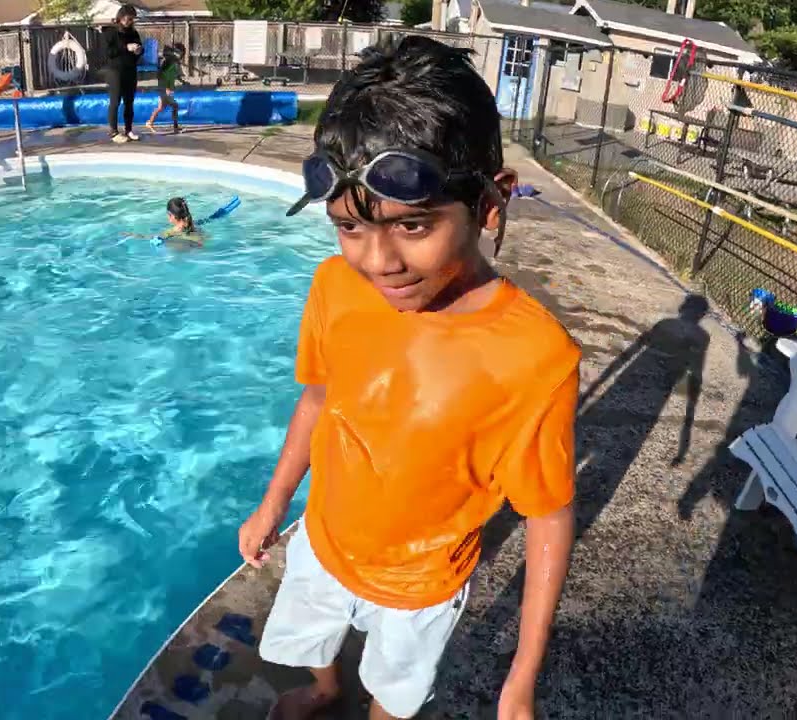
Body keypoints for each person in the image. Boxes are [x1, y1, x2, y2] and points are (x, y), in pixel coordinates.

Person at [238, 35, 579, 720]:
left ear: (491, 204)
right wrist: (276, 500)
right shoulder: (336, 286)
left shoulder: (534, 357)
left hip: (423, 582)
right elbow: (319, 397)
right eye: (349, 228)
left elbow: (547, 517)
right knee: (315, 638)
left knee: (393, 693)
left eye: (414, 225)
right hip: (324, 542)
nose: (380, 261)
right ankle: (327, 688)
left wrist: (521, 678)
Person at [105, 6, 142, 143]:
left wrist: (138, 50)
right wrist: (126, 47)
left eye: (132, 18)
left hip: (130, 70)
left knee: (129, 102)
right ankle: (113, 132)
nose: (129, 20)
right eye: (128, 17)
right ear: (121, 17)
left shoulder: (133, 33)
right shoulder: (111, 32)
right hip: (115, 71)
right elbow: (109, 52)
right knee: (115, 102)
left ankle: (128, 129)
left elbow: (140, 48)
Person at [147, 43, 186, 134]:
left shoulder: (173, 61)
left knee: (161, 107)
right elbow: (164, 75)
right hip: (164, 87)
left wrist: (181, 80)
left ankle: (150, 122)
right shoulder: (170, 61)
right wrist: (167, 88)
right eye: (182, 53)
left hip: (163, 87)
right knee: (174, 106)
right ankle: (175, 127)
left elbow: (173, 74)